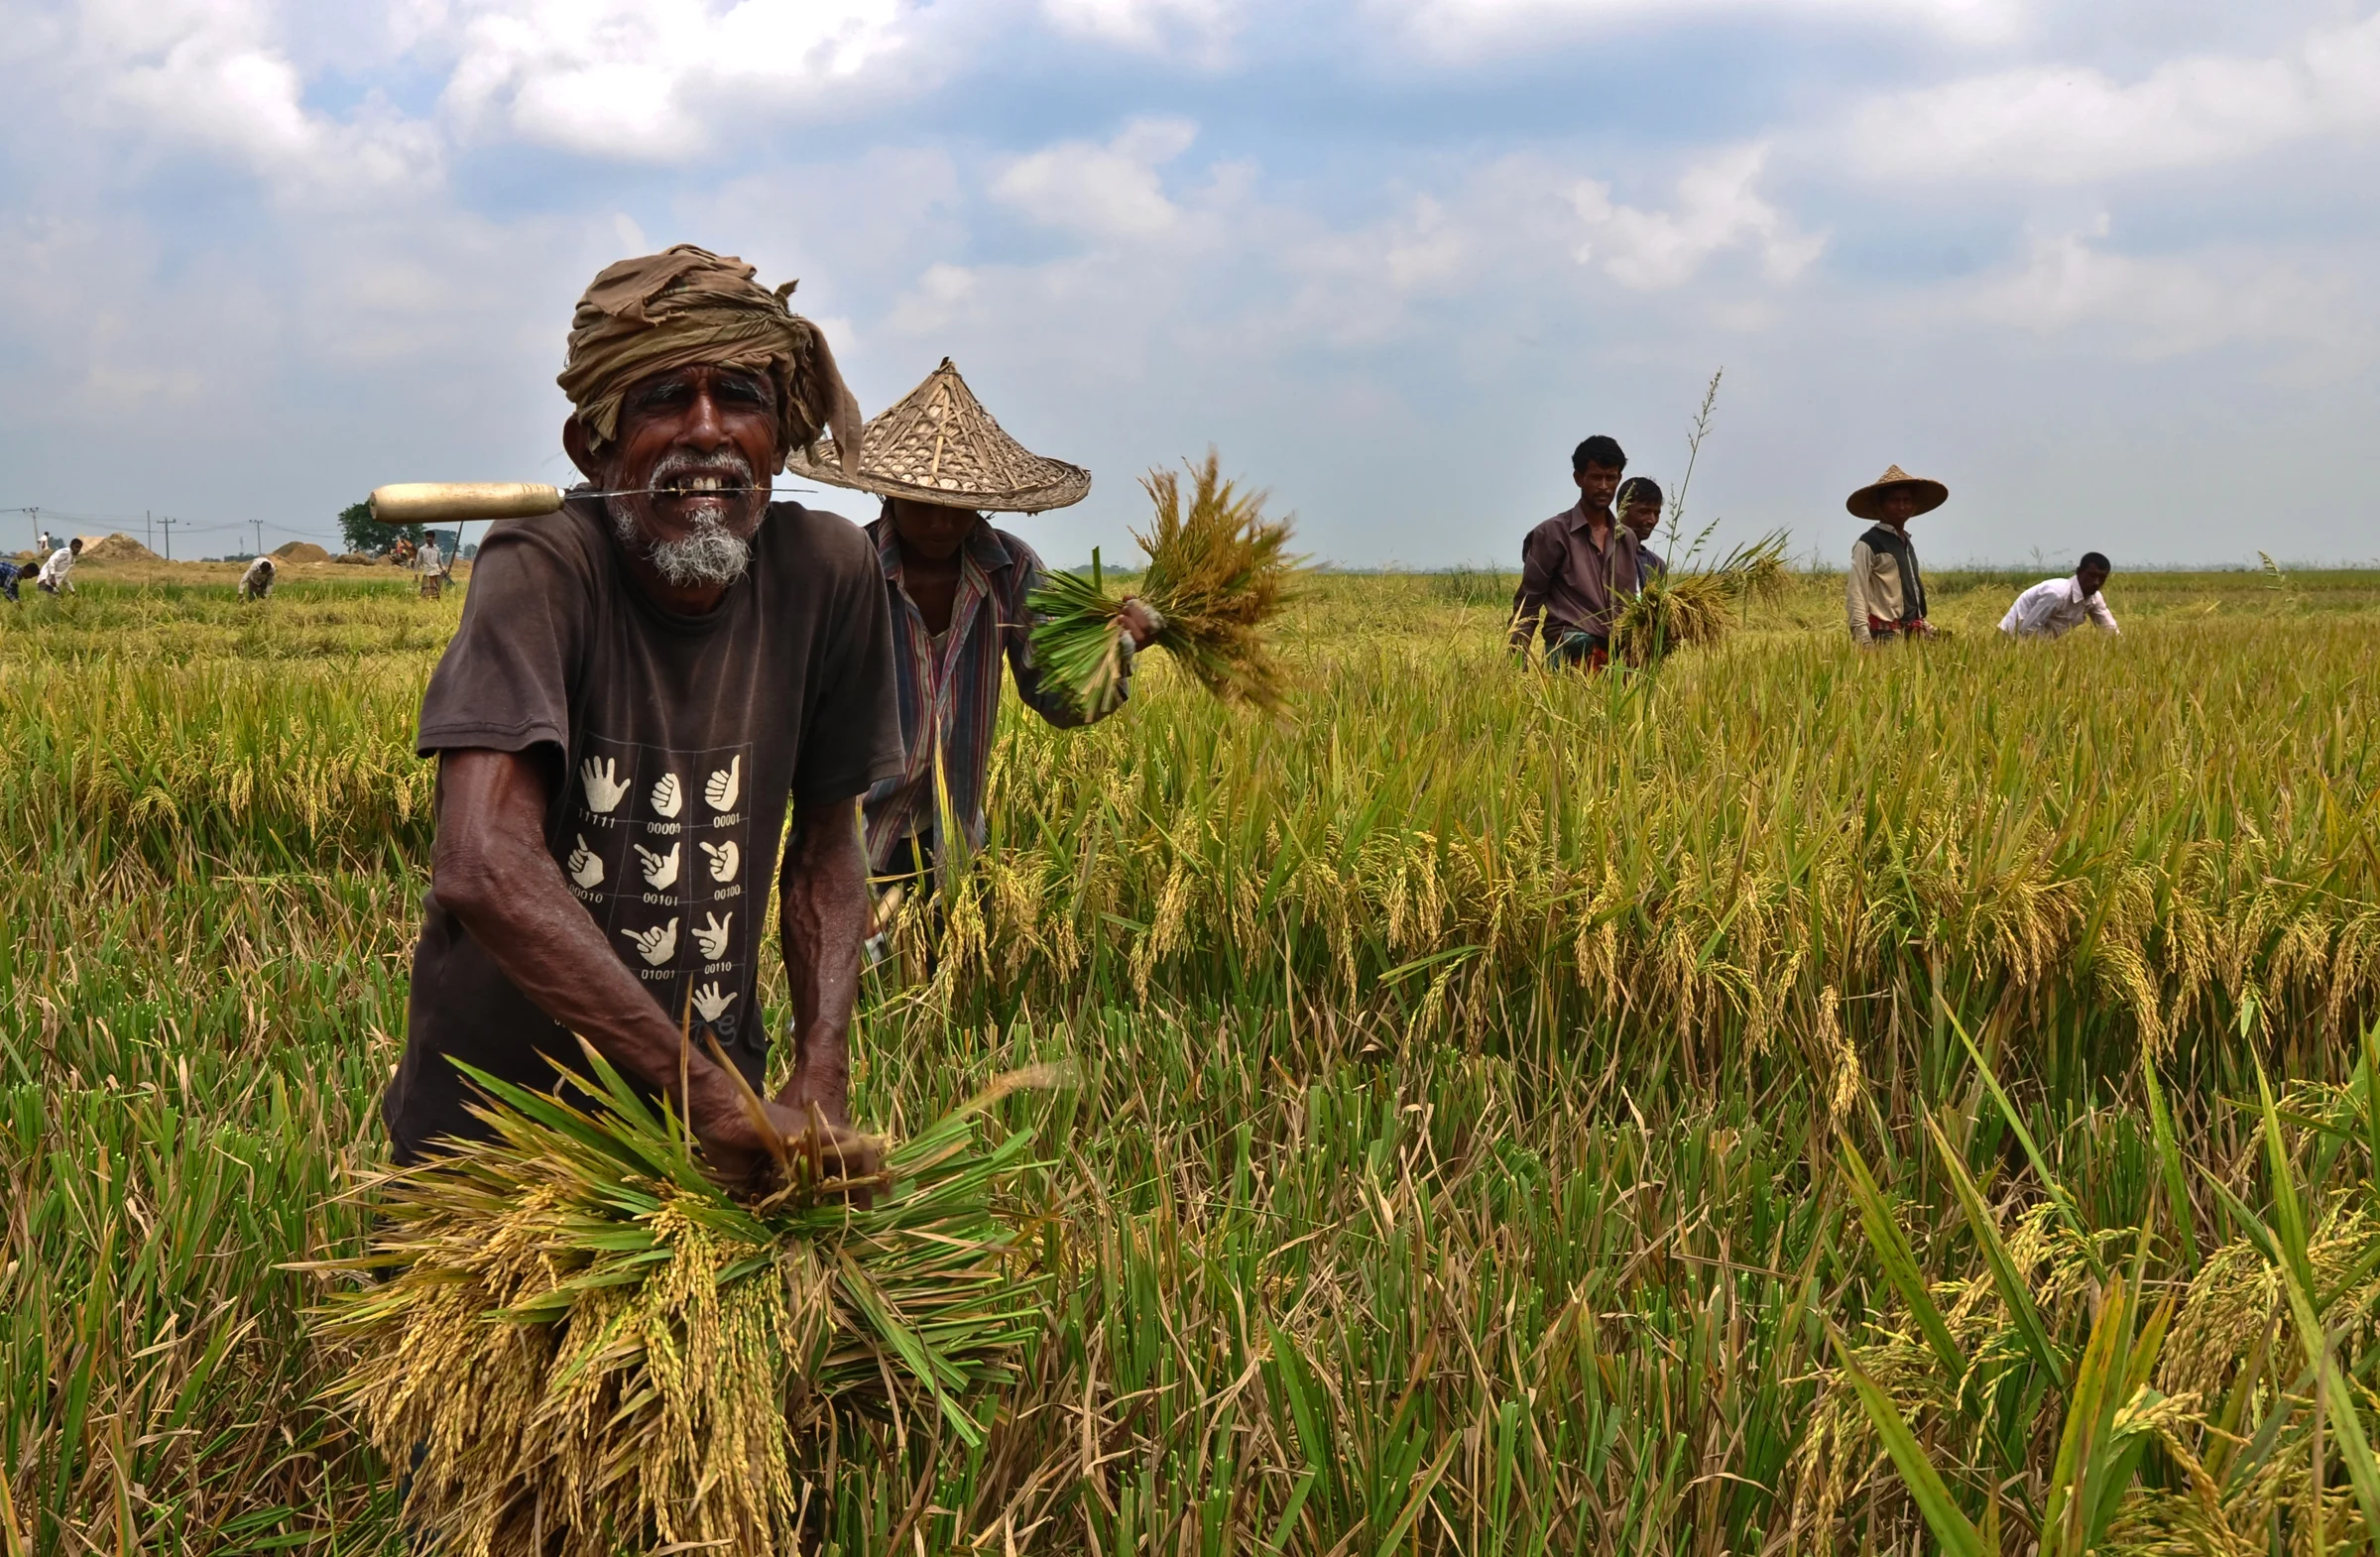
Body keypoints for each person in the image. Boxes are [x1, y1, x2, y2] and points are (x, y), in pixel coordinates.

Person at [382, 244, 899, 1186]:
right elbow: (482, 862)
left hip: (705, 1137)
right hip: (507, 1138)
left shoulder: (828, 571)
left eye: (740, 395)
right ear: (594, 447)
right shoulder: (543, 562)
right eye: (663, 399)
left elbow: (828, 846)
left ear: (779, 439)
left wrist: (820, 1071)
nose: (707, 431)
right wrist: (709, 1100)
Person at [788, 358, 1158, 904]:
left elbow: (1059, 699)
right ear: (887, 492)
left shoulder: (1011, 570)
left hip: (955, 839)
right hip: (854, 842)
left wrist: (1116, 650)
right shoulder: (851, 568)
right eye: (924, 505)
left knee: (953, 980)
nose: (941, 523)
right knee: (863, 985)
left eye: (958, 507)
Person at [1510, 434, 1645, 668]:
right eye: (1595, 477)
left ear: (1619, 479)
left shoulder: (1627, 539)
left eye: (1610, 478)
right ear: (1578, 478)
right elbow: (1528, 605)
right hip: (1569, 655)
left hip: (1617, 660)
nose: (1604, 486)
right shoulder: (1551, 534)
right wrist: (1515, 662)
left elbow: (1630, 604)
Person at [1844, 464, 1945, 645]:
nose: (1901, 506)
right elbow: (1856, 594)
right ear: (1880, 506)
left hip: (1912, 634)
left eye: (1907, 500)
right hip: (1885, 637)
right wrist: (1864, 641)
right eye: (1894, 501)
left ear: (1914, 506)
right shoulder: (1868, 543)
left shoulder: (1905, 542)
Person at [1999, 553, 2120, 640]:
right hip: (2008, 639)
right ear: (2079, 572)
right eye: (2091, 575)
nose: (2096, 582)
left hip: (2040, 645)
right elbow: (2027, 629)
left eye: (2102, 578)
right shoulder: (2057, 593)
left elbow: (2109, 629)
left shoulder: (2095, 598)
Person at [1617, 476, 1666, 576]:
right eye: (1643, 512)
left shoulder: (1657, 565)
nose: (1652, 520)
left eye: (1656, 514)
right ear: (1621, 508)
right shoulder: (1604, 554)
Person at [416, 532, 446, 600]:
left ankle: (435, 604)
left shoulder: (437, 549)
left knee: (437, 592)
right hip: (427, 573)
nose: (428, 538)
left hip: (437, 573)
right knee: (426, 592)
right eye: (427, 537)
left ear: (433, 538)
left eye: (430, 537)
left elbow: (440, 561)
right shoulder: (421, 549)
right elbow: (417, 562)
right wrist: (416, 574)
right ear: (425, 538)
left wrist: (444, 569)